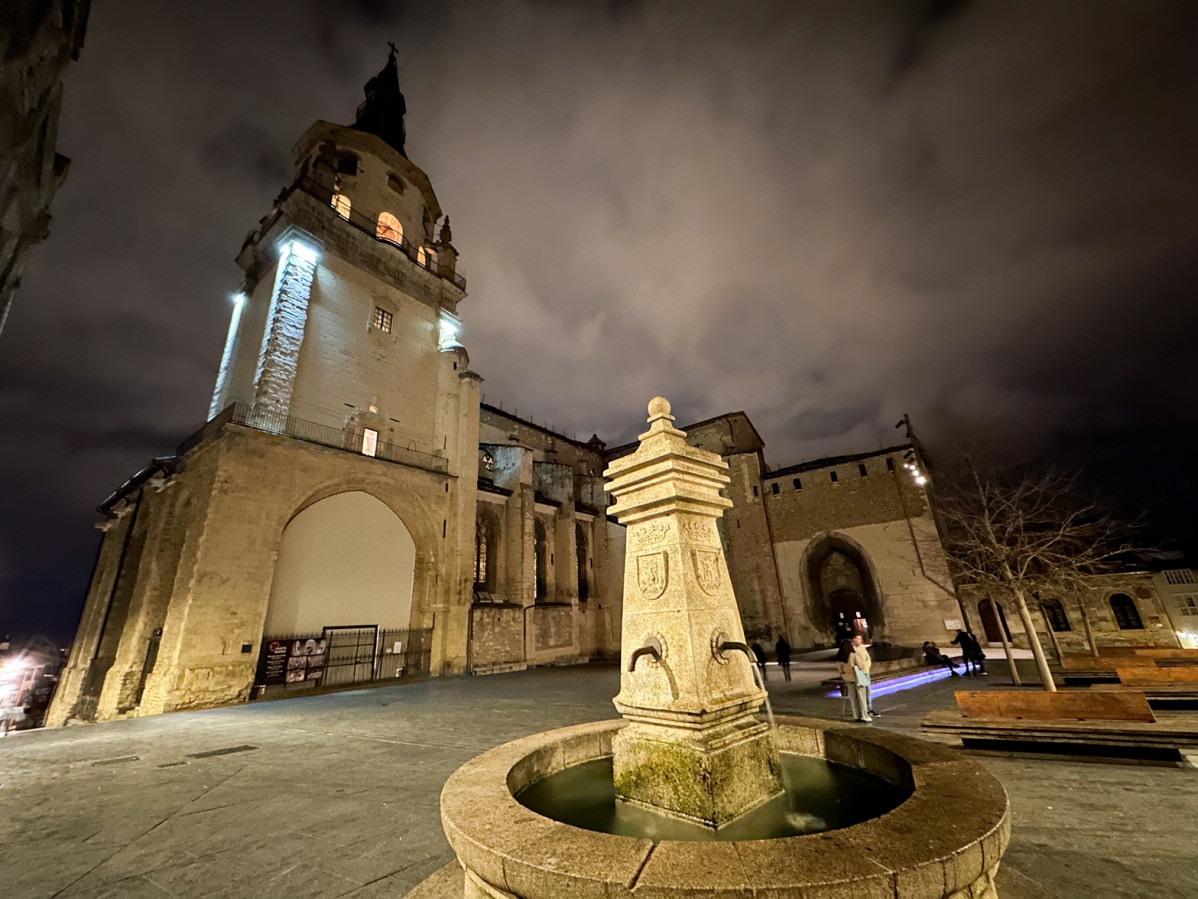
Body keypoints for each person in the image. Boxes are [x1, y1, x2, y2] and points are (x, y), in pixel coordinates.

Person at [844, 635, 873, 722]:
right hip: (858, 675)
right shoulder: (852, 652)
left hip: (858, 674)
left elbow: (868, 659)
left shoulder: (862, 648)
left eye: (860, 638)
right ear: (853, 639)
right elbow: (859, 664)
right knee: (861, 696)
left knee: (858, 696)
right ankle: (864, 715)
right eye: (858, 638)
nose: (860, 640)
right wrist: (864, 667)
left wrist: (867, 667)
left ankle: (858, 715)